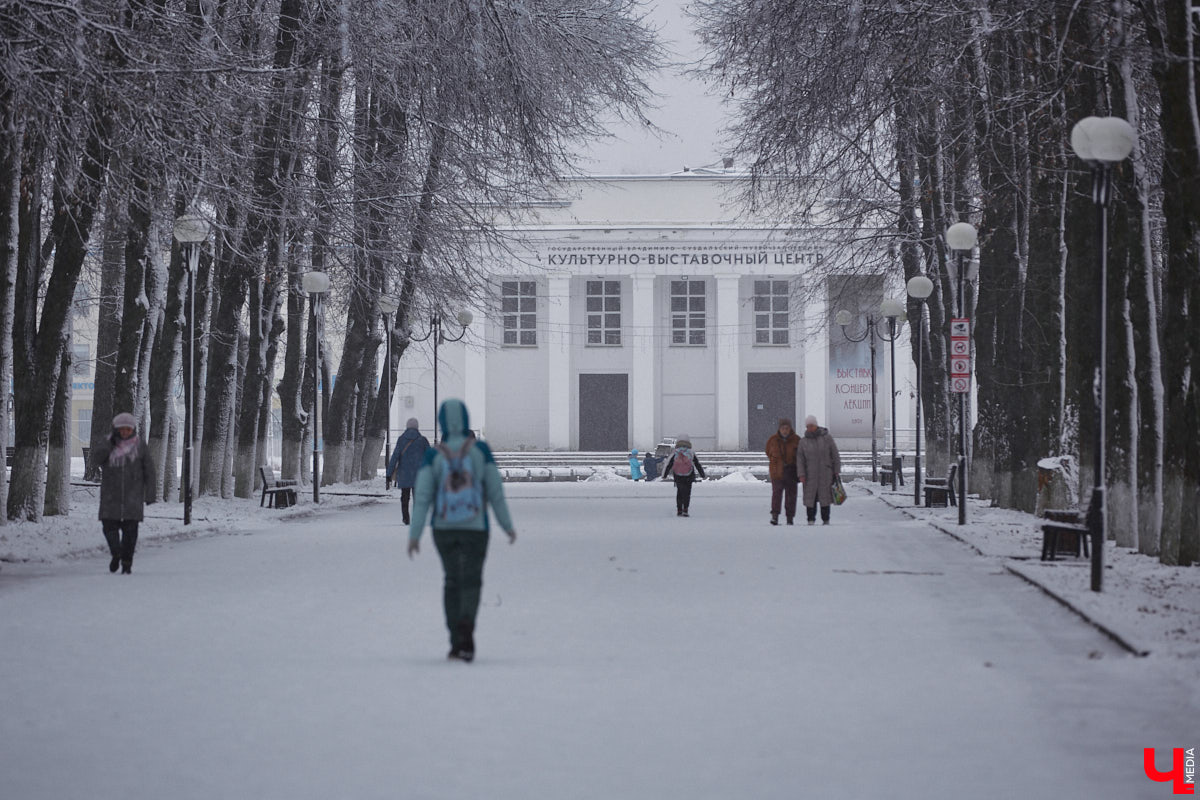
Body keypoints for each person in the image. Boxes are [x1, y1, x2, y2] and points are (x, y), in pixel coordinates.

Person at [408, 399, 516, 662]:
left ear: (443, 421)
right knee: (472, 579)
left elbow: (422, 496)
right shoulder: (481, 451)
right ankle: (467, 623)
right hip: (476, 528)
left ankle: (456, 640)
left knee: (452, 580)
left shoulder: (434, 454)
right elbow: (495, 493)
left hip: (443, 528)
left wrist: (415, 533)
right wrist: (507, 525)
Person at [93, 412, 155, 574]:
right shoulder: (107, 443)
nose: (125, 432)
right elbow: (96, 459)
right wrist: (110, 445)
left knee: (130, 532)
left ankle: (127, 562)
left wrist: (150, 494)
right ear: (115, 429)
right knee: (108, 527)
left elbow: (149, 469)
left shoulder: (140, 446)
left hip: (132, 496)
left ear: (133, 429)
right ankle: (116, 553)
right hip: (110, 495)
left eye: (128, 429)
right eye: (122, 429)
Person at [797, 415, 842, 525]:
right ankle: (810, 519)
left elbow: (835, 454)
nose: (810, 428)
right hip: (810, 474)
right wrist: (801, 474)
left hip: (825, 474)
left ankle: (825, 519)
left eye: (811, 425)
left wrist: (836, 470)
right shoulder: (803, 442)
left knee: (825, 497)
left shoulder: (827, 438)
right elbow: (800, 459)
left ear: (816, 425)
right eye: (808, 426)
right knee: (810, 498)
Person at [387, 417, 430, 525]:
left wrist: (389, 473)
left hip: (405, 473)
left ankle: (406, 518)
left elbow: (395, 456)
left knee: (404, 497)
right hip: (419, 474)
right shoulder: (422, 440)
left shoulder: (401, 439)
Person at [765, 418, 801, 525]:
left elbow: (801, 456)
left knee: (791, 496)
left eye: (787, 428)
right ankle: (775, 516)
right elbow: (768, 452)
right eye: (783, 428)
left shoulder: (796, 440)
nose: (785, 430)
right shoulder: (773, 440)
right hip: (777, 472)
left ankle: (790, 518)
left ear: (790, 429)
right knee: (776, 495)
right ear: (779, 429)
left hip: (791, 472)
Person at [662, 436, 706, 517]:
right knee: (687, 493)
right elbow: (697, 463)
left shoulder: (675, 452)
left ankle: (679, 510)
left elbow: (669, 463)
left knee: (679, 492)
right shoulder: (691, 452)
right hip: (689, 475)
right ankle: (685, 509)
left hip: (678, 475)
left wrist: (664, 475)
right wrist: (702, 474)